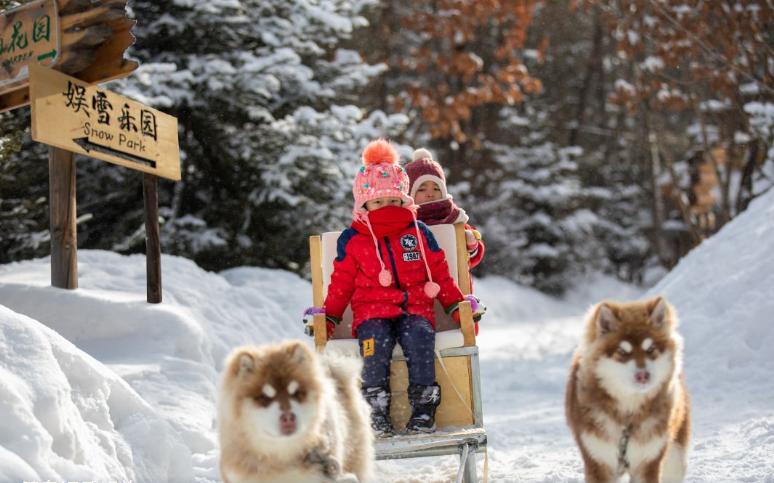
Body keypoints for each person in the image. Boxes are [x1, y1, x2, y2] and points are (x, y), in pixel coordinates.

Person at [322, 139, 479, 437]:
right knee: (374, 346)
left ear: (404, 201)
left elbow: (441, 275)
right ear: (364, 204)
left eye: (394, 201)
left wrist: (457, 307)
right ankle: (375, 411)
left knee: (420, 339)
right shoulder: (353, 239)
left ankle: (423, 408)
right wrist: (329, 316)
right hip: (371, 314)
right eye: (379, 203)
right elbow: (340, 282)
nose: (387, 208)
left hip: (415, 309)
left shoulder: (418, 233)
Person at [405, 148, 486, 285]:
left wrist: (471, 245)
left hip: (454, 287)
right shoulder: (405, 222)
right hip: (418, 291)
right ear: (409, 191)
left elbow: (471, 259)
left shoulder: (453, 218)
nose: (430, 194)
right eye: (422, 189)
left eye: (436, 188)